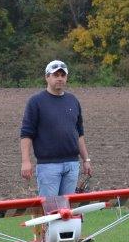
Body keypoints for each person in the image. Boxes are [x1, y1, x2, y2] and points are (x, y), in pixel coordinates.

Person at [20, 60, 92, 197]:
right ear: (47, 77)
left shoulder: (73, 100)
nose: (60, 78)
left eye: (63, 75)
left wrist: (86, 160)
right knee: (51, 207)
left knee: (67, 208)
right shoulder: (36, 102)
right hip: (48, 166)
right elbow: (26, 134)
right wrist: (26, 161)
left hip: (72, 164)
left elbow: (79, 133)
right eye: (56, 75)